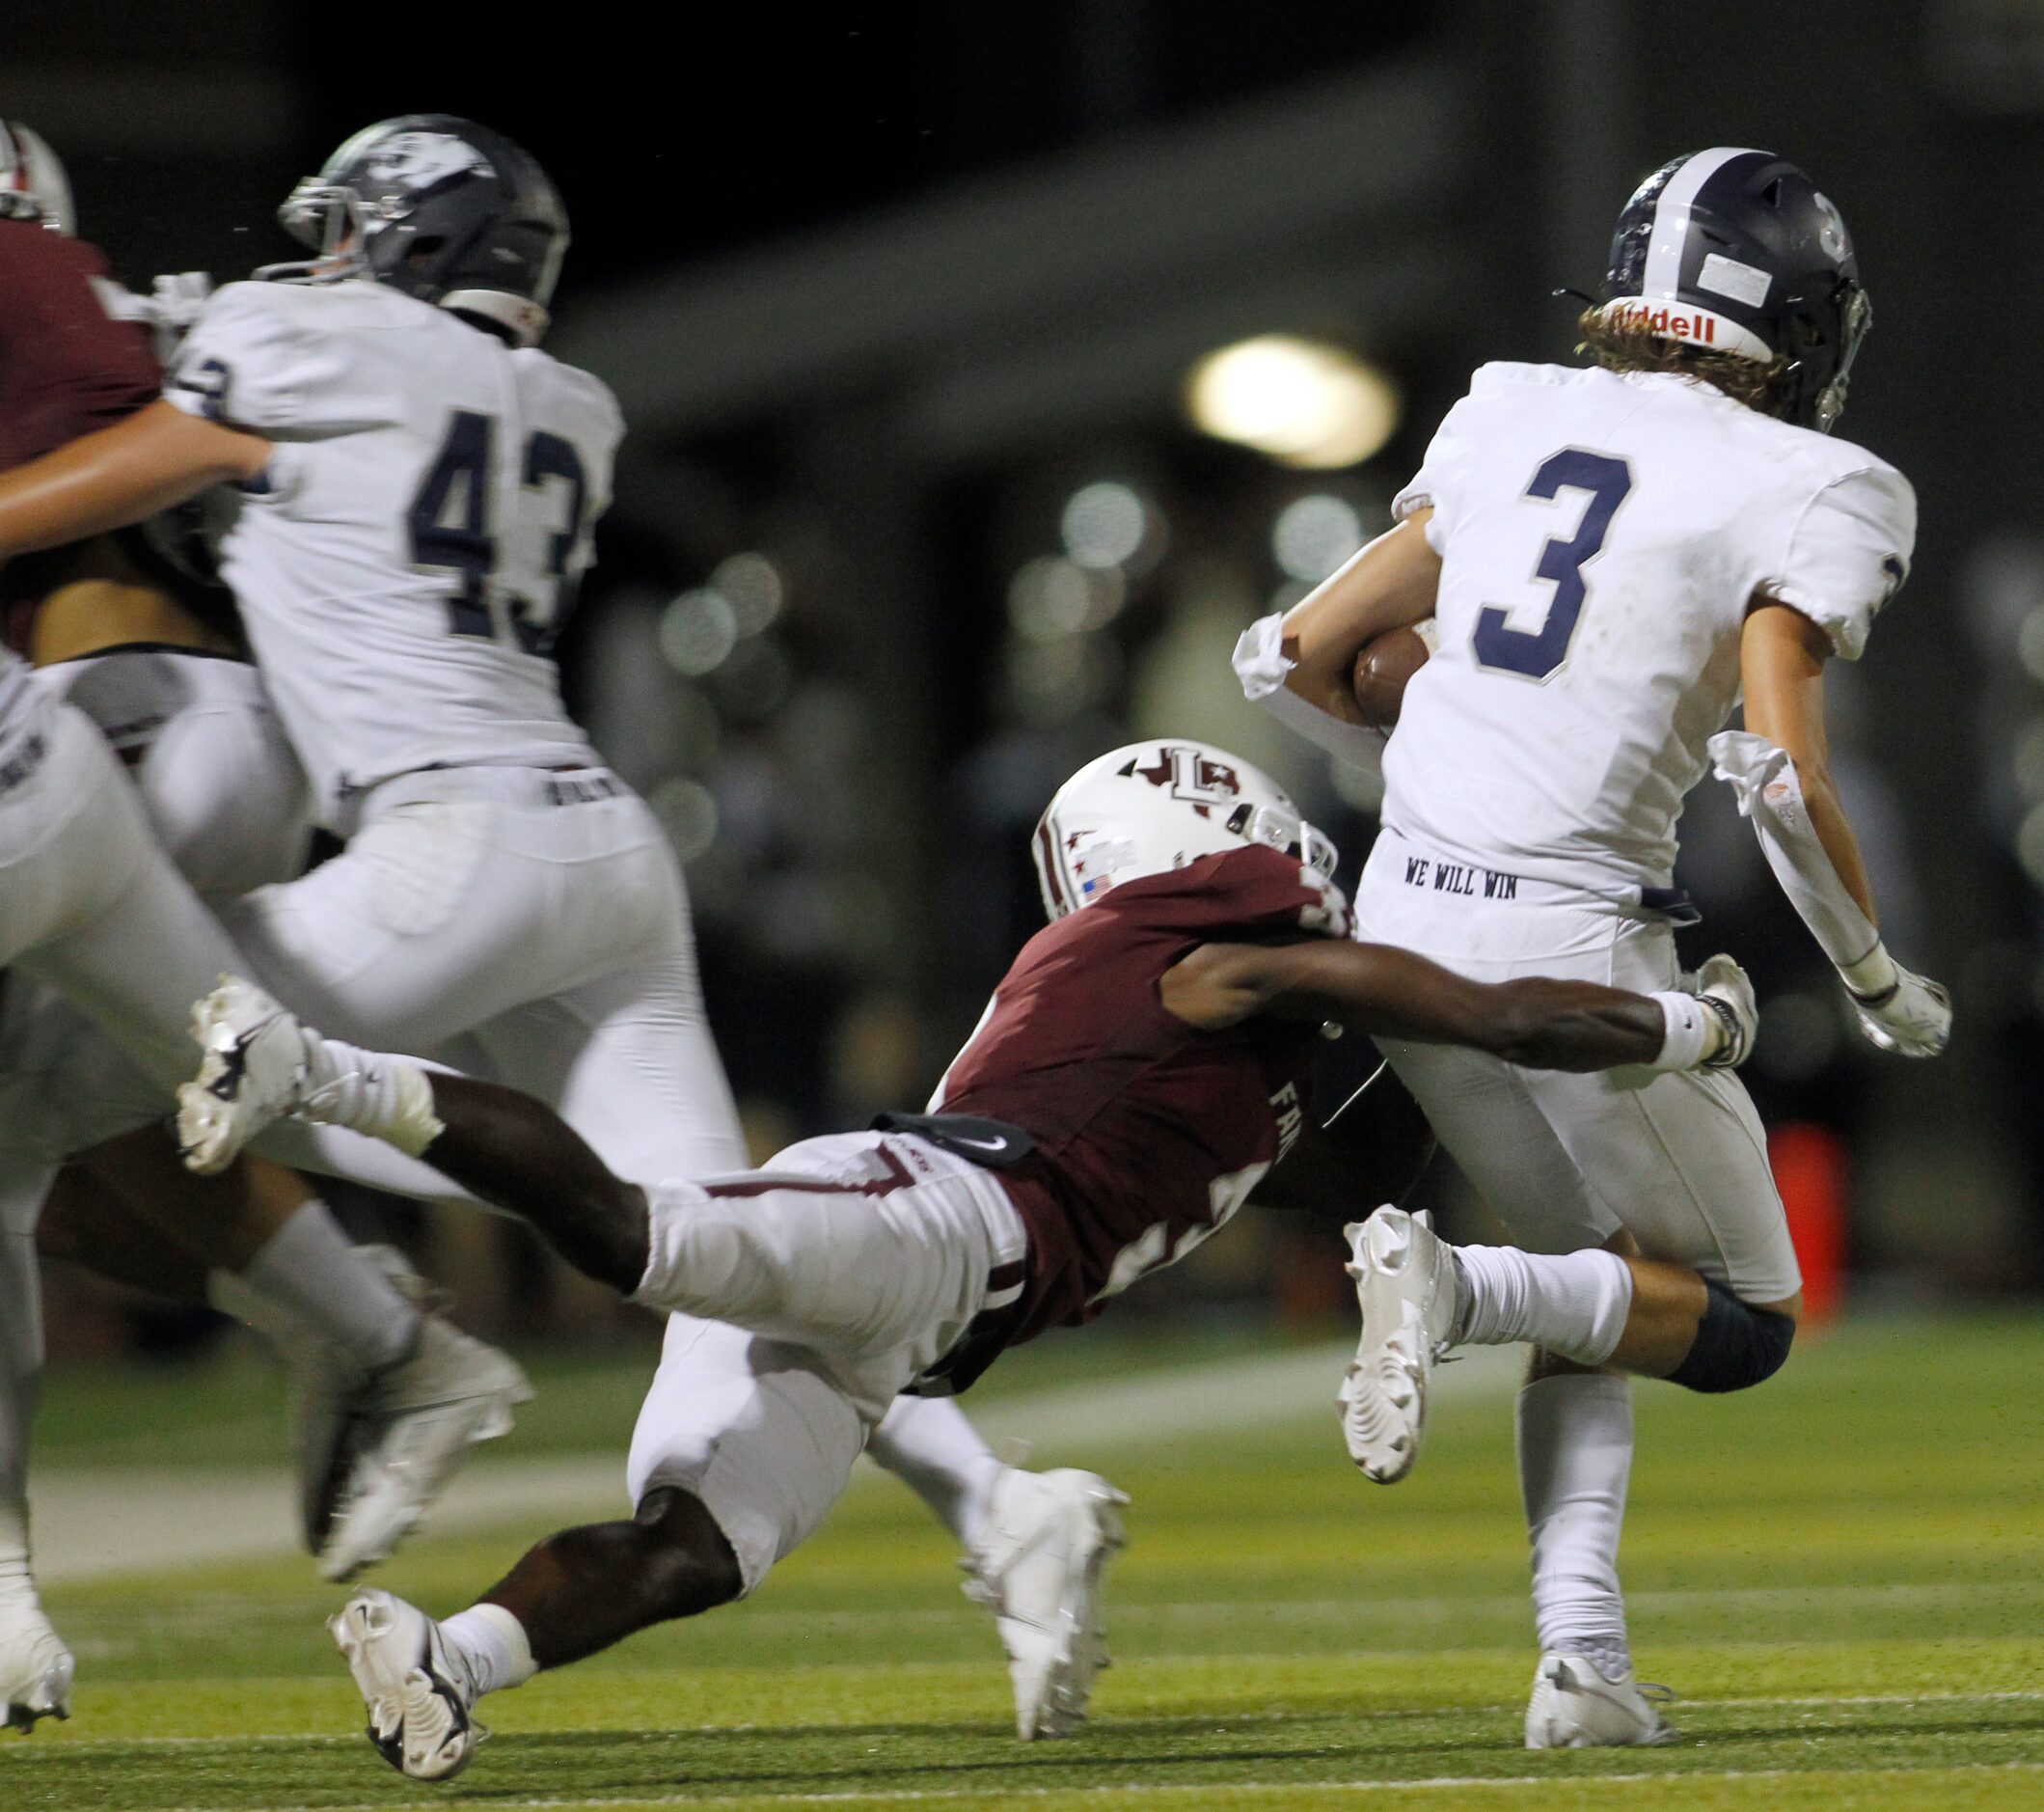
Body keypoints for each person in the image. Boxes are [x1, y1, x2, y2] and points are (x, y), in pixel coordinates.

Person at [0, 114, 1123, 1738]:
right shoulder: (569, 406)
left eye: (347, 233)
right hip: (602, 858)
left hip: (443, 851)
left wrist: (141, 338)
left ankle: (370, 1353)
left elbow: (101, 478)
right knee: (713, 1250)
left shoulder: (300, 340)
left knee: (38, 1102)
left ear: (407, 240)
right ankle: (1007, 1508)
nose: (320, 258)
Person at [166, 738, 1758, 1781]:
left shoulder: (1210, 1030)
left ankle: (444, 1662)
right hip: (927, 1220)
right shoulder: (1207, 954)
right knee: (624, 1228)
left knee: (693, 1549)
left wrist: (1427, 1085)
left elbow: (1355, 1155)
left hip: (915, 1303)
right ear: (1211, 836)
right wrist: (1684, 1020)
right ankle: (311, 1067)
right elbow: (1472, 1013)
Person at [1235, 148, 1948, 1746]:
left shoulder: (1505, 406)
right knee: (1747, 1318)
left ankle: (1583, 1662)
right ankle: (1452, 1285)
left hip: (1405, 915)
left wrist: (1441, 787)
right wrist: (1882, 981)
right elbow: (1779, 779)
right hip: (1573, 948)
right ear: (1799, 321)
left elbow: (1294, 655)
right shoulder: (1820, 482)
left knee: (1607, 1291)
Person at [0, 121, 534, 1732]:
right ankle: (377, 1332)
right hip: (188, 731)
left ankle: (12, 1593)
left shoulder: (31, 274)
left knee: (19, 1152)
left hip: (127, 724)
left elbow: (180, 439)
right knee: (63, 1155)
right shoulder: (89, 282)